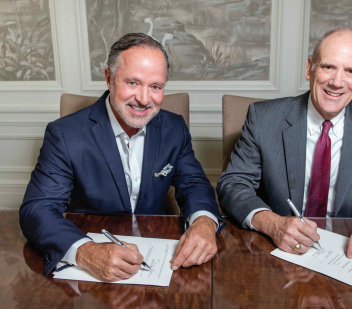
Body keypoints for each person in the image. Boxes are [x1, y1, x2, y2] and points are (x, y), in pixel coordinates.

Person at [20, 33, 225, 282]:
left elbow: (194, 184)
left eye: (156, 87)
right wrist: (85, 252)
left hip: (158, 256)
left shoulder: (175, 128)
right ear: (109, 78)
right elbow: (38, 209)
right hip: (91, 265)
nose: (143, 98)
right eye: (133, 83)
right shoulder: (64, 134)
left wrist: (204, 223)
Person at [216, 28, 352, 259]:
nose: (337, 82)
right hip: (274, 249)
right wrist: (272, 223)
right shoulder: (264, 119)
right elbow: (233, 184)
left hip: (345, 252)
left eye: (351, 71)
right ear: (310, 68)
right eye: (328, 67)